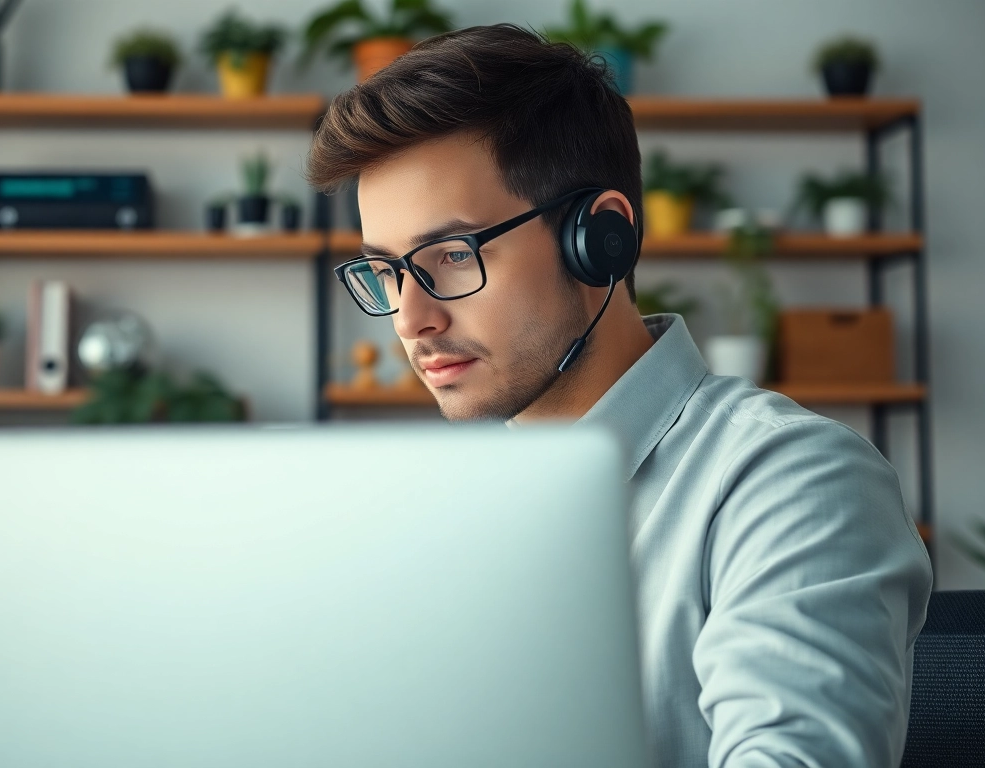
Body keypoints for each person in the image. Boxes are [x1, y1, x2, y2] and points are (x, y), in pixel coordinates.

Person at [306, 24, 933, 768]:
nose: (411, 319)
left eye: (452, 255)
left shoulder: (791, 480)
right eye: (385, 272)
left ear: (601, 237)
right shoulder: (441, 509)